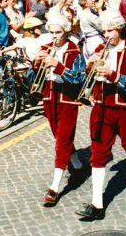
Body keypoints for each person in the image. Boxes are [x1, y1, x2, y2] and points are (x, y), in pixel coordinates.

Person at [76, 10, 126, 221]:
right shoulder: (100, 48)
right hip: (101, 107)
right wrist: (90, 67)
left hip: (125, 108)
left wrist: (113, 74)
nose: (106, 35)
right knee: (98, 153)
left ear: (120, 29)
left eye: (110, 31)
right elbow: (88, 75)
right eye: (104, 31)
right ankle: (97, 204)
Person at [34, 14, 86, 205]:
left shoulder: (75, 51)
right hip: (50, 96)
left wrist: (57, 65)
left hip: (67, 99)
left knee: (62, 140)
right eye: (52, 32)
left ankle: (54, 187)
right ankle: (78, 165)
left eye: (59, 32)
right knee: (59, 135)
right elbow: (35, 75)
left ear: (66, 32)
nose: (54, 36)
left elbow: (78, 78)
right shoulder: (46, 47)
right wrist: (36, 62)